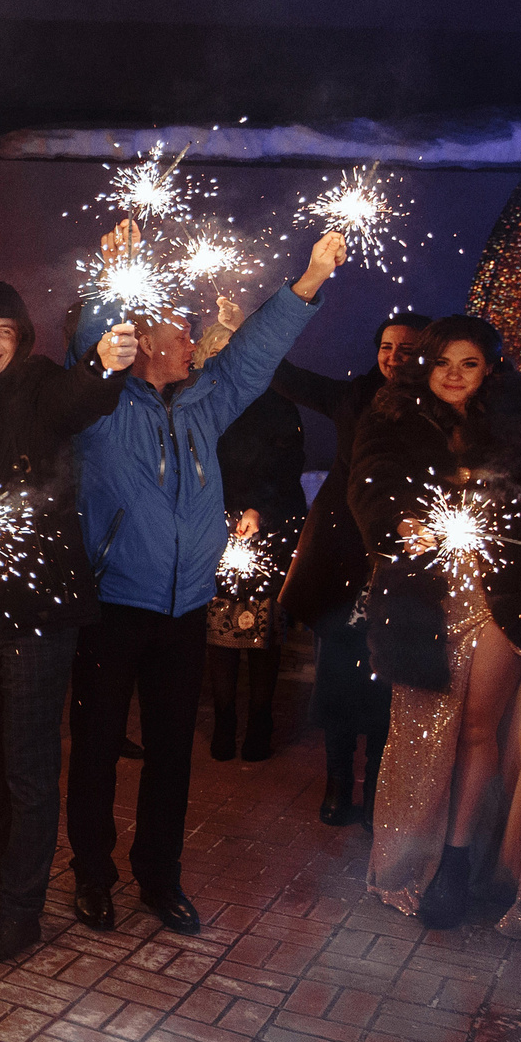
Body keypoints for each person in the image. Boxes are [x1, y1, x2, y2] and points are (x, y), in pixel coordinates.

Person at [63, 232, 345, 939]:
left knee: (170, 751)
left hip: (185, 606)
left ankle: (160, 874)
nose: (194, 338)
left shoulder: (205, 401)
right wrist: (113, 270)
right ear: (142, 336)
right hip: (113, 603)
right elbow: (93, 335)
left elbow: (254, 351)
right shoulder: (98, 406)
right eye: (181, 328)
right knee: (96, 746)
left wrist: (308, 278)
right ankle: (92, 875)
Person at [349, 316, 521, 939]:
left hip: (501, 597)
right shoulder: (392, 419)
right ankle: (414, 855)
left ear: (491, 369)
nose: (453, 376)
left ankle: (456, 861)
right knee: (421, 726)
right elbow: (369, 490)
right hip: (422, 598)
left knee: (477, 729)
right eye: (442, 364)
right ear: (423, 367)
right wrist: (399, 527)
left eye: (469, 364)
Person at [0, 246, 142, 965]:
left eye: (4, 331)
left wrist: (110, 355)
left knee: (26, 763)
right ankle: (4, 874)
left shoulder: (42, 385)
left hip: (36, 613)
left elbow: (85, 394)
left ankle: (21, 911)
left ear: (22, 340)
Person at [273, 310, 430, 823]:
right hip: (340, 556)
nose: (394, 358)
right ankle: (339, 785)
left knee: (390, 682)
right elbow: (289, 377)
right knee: (338, 676)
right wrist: (239, 334)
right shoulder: (352, 395)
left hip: (403, 562)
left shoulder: (438, 407)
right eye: (387, 347)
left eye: (407, 349)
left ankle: (379, 792)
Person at [198, 301, 309, 763]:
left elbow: (289, 465)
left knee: (262, 631)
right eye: (221, 349)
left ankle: (259, 720)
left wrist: (258, 508)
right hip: (211, 528)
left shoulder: (278, 405)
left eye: (237, 348)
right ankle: (225, 719)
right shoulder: (198, 401)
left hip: (269, 529)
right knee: (218, 630)